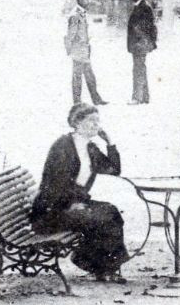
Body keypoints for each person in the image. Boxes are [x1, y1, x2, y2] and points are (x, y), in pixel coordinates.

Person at [29, 104, 128, 282]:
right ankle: (91, 263)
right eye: (91, 121)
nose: (96, 125)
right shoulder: (63, 146)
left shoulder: (90, 147)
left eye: (98, 121)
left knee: (111, 211)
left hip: (70, 204)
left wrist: (110, 143)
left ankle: (106, 268)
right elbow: (55, 184)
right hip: (50, 211)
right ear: (77, 122)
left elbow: (114, 169)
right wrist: (71, 204)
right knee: (98, 218)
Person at [64, 0, 107, 106]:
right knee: (78, 77)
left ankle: (96, 99)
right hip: (78, 50)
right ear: (79, 0)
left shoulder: (82, 13)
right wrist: (70, 50)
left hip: (84, 49)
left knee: (89, 75)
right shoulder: (75, 15)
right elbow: (70, 35)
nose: (88, 2)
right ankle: (77, 101)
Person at [126, 0, 158, 104]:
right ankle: (144, 97)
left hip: (140, 44)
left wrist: (142, 42)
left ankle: (137, 97)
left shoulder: (144, 8)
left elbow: (147, 28)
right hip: (140, 44)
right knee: (141, 69)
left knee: (138, 69)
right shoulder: (140, 6)